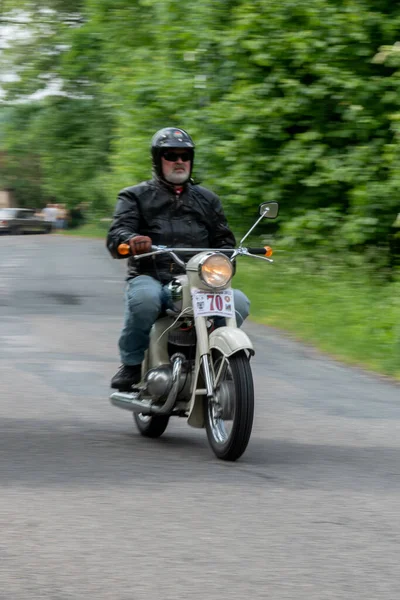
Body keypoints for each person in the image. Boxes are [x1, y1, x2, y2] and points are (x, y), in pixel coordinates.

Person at [106, 127, 250, 391]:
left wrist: (226, 261)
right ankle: (132, 364)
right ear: (158, 160)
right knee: (144, 300)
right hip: (152, 275)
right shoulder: (134, 196)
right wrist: (131, 240)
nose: (179, 161)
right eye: (171, 155)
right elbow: (117, 233)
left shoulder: (207, 199)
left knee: (238, 302)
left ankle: (219, 359)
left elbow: (224, 241)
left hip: (201, 281)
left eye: (185, 155)